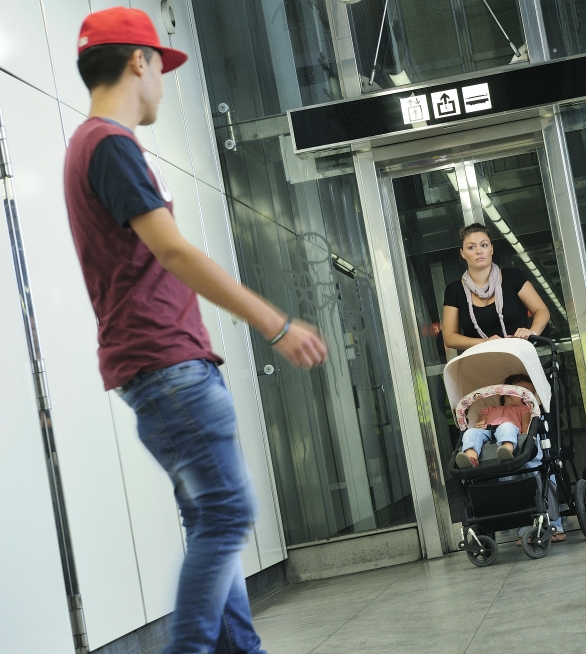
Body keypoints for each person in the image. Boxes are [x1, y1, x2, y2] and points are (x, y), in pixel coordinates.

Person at [63, 9, 327, 653]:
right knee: (229, 513)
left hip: (152, 369)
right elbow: (174, 251)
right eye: (161, 68)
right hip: (167, 365)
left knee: (211, 518)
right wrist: (275, 323)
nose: (162, 84)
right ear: (137, 62)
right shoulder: (109, 143)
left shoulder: (86, 147)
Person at [442, 223, 550, 350]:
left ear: (492, 249)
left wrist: (532, 333)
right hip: (480, 363)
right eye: (471, 247)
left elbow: (542, 311)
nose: (479, 251)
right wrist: (486, 342)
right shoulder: (454, 290)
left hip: (519, 357)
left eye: (484, 245)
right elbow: (449, 337)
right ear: (463, 253)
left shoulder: (513, 277)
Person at [455, 374, 535, 468]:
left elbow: (526, 426)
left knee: (506, 426)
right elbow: (480, 425)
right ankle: (471, 459)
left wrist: (526, 439)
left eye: (531, 393)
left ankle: (507, 451)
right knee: (470, 432)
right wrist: (477, 427)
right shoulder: (489, 409)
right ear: (508, 390)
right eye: (524, 391)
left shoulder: (524, 409)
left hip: (511, 431)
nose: (527, 397)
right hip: (488, 431)